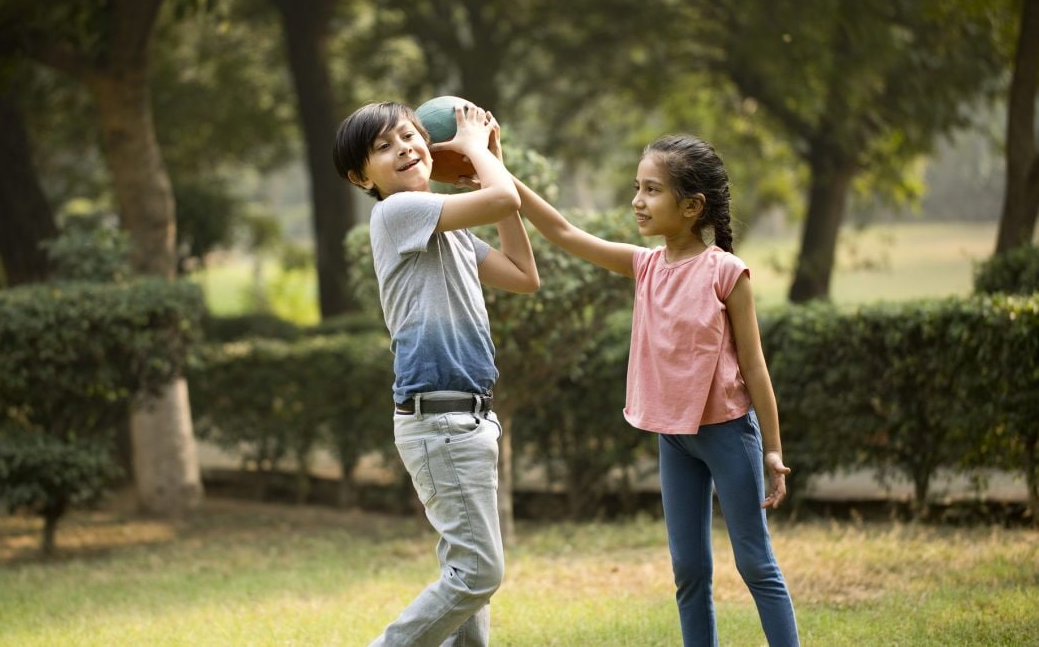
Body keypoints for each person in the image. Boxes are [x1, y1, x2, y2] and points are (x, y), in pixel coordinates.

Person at [514, 134, 799, 646]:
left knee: (755, 563)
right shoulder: (644, 267)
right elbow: (560, 229)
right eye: (636, 188)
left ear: (692, 207)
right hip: (674, 438)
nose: (637, 201)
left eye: (651, 190)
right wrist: (497, 174)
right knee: (688, 571)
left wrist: (773, 449)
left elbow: (756, 369)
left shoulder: (726, 273)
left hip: (729, 434)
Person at [332, 101, 539, 646]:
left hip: (468, 419)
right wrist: (479, 153)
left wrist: (486, 161)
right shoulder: (397, 213)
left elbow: (523, 275)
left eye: (410, 135)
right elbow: (503, 195)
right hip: (439, 419)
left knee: (468, 581)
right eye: (383, 146)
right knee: (478, 575)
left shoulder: (450, 232)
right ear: (361, 177)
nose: (404, 147)